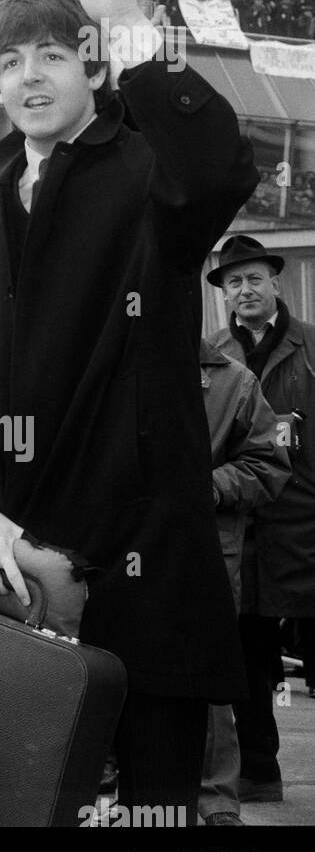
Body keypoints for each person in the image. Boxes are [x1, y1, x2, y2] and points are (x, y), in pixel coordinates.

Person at [0, 0, 258, 819]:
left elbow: (219, 168)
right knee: (25, 806)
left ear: (91, 67)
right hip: (19, 570)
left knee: (157, 825)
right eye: (9, 63)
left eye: (51, 56)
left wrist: (133, 25)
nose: (28, 77)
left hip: (143, 567)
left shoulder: (145, 170)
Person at [206, 234, 315, 801]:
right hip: (243, 536)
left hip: (306, 534)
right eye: (233, 282)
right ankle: (259, 775)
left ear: (277, 282)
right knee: (249, 665)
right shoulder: (209, 357)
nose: (244, 290)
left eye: (253, 279)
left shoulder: (312, 348)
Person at [197, 338, 288, 825]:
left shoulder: (234, 379)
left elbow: (270, 462)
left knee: (211, 671)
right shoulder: (113, 366)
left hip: (208, 550)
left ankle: (215, 799)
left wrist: (212, 485)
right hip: (127, 548)